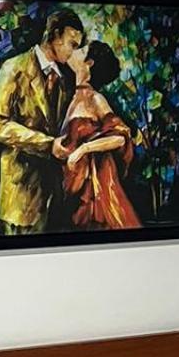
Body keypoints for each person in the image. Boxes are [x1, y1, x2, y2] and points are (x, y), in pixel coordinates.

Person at [0, 8, 84, 233]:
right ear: (56, 35)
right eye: (72, 44)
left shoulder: (64, 80)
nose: (74, 52)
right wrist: (48, 144)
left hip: (52, 198)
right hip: (20, 195)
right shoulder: (13, 68)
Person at [57, 40, 142, 230]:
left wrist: (83, 149)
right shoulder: (72, 97)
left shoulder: (95, 99)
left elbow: (120, 137)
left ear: (89, 63)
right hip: (73, 184)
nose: (74, 51)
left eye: (81, 50)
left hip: (95, 189)